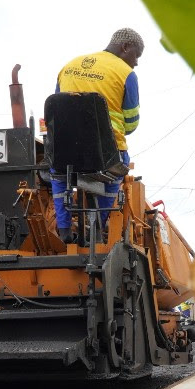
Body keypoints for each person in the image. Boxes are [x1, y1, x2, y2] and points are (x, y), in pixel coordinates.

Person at [52, 28, 144, 241]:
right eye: (136, 56)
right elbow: (131, 123)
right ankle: (96, 227)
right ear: (125, 47)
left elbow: (57, 109)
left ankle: (64, 228)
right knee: (119, 171)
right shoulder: (126, 74)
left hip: (66, 150)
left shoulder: (69, 65)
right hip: (105, 153)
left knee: (57, 172)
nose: (136, 62)